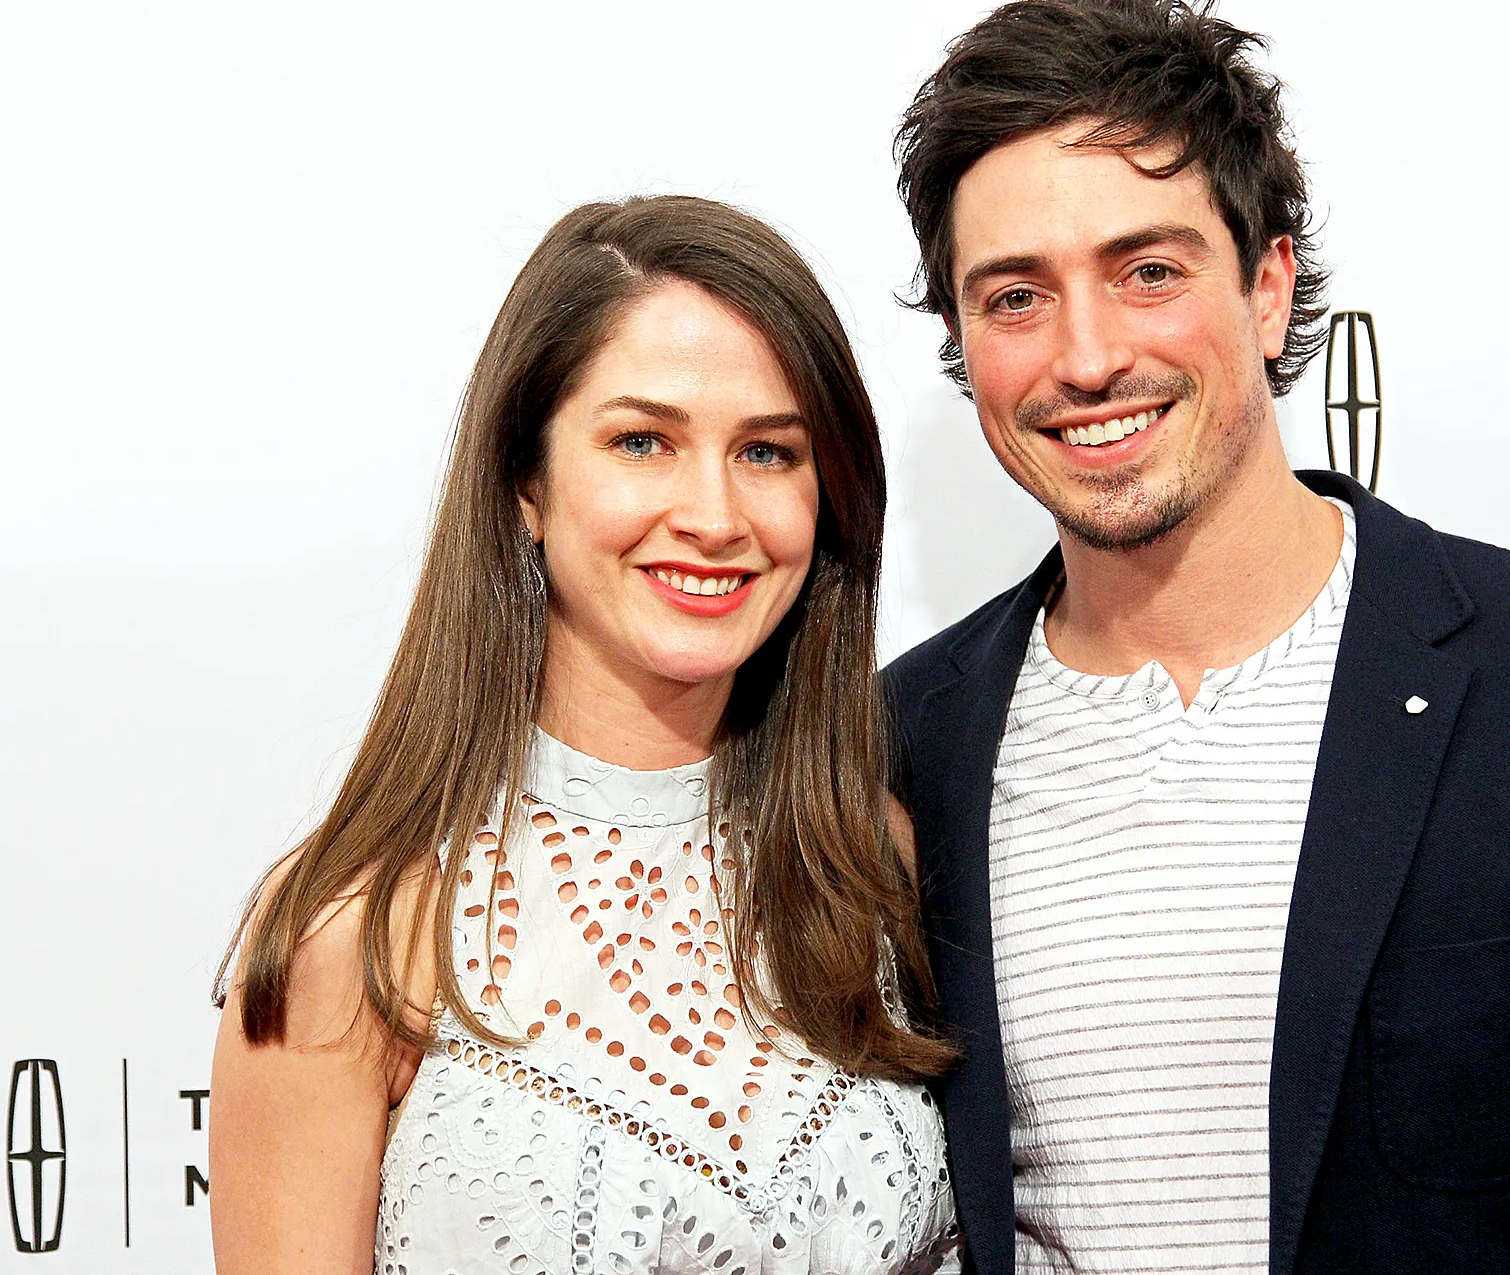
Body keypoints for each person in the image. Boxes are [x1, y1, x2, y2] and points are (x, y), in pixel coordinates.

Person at [884, 0, 1510, 1275]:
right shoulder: (899, 751)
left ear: (1268, 288)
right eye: (1016, 297)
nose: (1087, 354)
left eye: (1148, 270)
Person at [208, 196, 961, 1275]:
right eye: (642, 441)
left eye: (767, 453)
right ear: (526, 480)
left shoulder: (871, 859)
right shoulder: (356, 931)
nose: (712, 514)